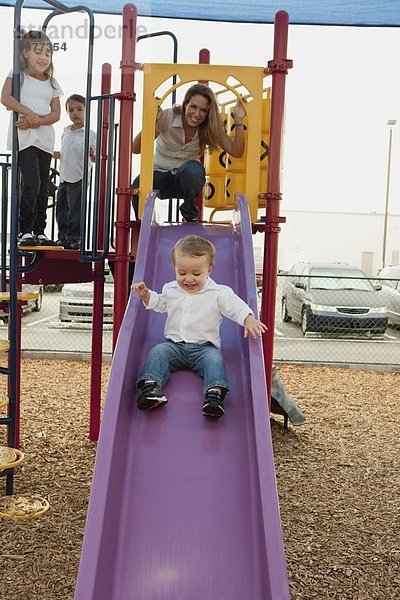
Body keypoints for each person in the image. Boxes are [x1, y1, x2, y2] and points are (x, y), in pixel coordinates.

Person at [131, 235, 267, 418]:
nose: (188, 279)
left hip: (204, 348)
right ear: (175, 269)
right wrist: (146, 295)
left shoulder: (218, 292)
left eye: (196, 274)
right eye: (182, 273)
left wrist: (248, 317)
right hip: (175, 346)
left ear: (209, 270)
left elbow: (234, 305)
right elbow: (159, 304)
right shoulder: (170, 289)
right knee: (158, 352)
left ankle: (214, 395)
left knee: (215, 360)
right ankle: (150, 388)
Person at [132, 83, 246, 222]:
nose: (197, 114)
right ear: (185, 104)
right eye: (193, 107)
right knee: (138, 185)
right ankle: (141, 227)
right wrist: (150, 122)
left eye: (203, 110)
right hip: (160, 175)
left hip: (186, 181)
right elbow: (135, 149)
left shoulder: (210, 127)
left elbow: (236, 151)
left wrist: (239, 121)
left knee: (193, 169)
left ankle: (190, 214)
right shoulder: (167, 117)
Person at [1, 29, 63, 246]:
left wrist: (37, 120)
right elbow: (5, 97)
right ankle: (24, 229)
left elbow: (56, 113)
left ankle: (40, 230)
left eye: (48, 52)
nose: (44, 57)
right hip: (25, 137)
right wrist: (28, 113)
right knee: (32, 183)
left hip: (44, 139)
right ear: (25, 53)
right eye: (38, 51)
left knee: (44, 186)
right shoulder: (19, 74)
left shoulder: (52, 83)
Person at [54, 94, 96, 249]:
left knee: (75, 210)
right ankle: (63, 236)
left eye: (79, 109)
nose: (75, 113)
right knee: (61, 209)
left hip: (79, 177)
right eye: (71, 110)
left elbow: (96, 157)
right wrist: (53, 154)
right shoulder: (66, 132)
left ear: (87, 111)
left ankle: (74, 237)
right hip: (64, 177)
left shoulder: (90, 134)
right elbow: (64, 153)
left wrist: (93, 156)